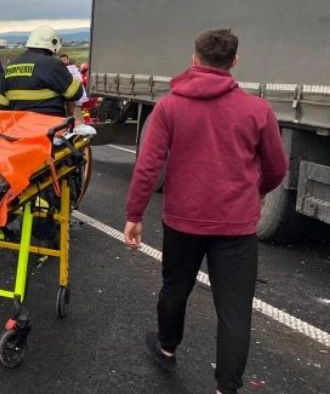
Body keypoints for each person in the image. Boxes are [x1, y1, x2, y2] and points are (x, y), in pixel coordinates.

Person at [123, 29, 287, 394]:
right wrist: (254, 192)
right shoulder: (257, 109)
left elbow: (148, 167)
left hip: (183, 220)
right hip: (237, 225)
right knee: (234, 309)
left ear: (195, 59)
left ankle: (167, 348)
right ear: (234, 62)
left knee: (175, 288)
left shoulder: (169, 106)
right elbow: (276, 167)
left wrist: (134, 214)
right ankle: (226, 386)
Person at [0, 25, 83, 115]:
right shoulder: (52, 64)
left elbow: (1, 106)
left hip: (19, 126)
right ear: (54, 43)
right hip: (49, 125)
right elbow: (76, 93)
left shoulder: (10, 67)